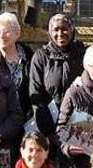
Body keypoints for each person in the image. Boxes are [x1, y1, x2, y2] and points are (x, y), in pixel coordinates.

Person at [29, 14, 86, 145]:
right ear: (50, 31)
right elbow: (36, 94)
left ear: (72, 30)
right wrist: (48, 131)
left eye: (65, 29)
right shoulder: (41, 57)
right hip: (48, 121)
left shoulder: (83, 54)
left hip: (78, 121)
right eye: (56, 30)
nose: (60, 33)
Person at [0, 12, 35, 120]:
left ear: (17, 33)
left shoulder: (29, 55)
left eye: (6, 32)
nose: (1, 36)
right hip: (0, 120)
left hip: (28, 118)